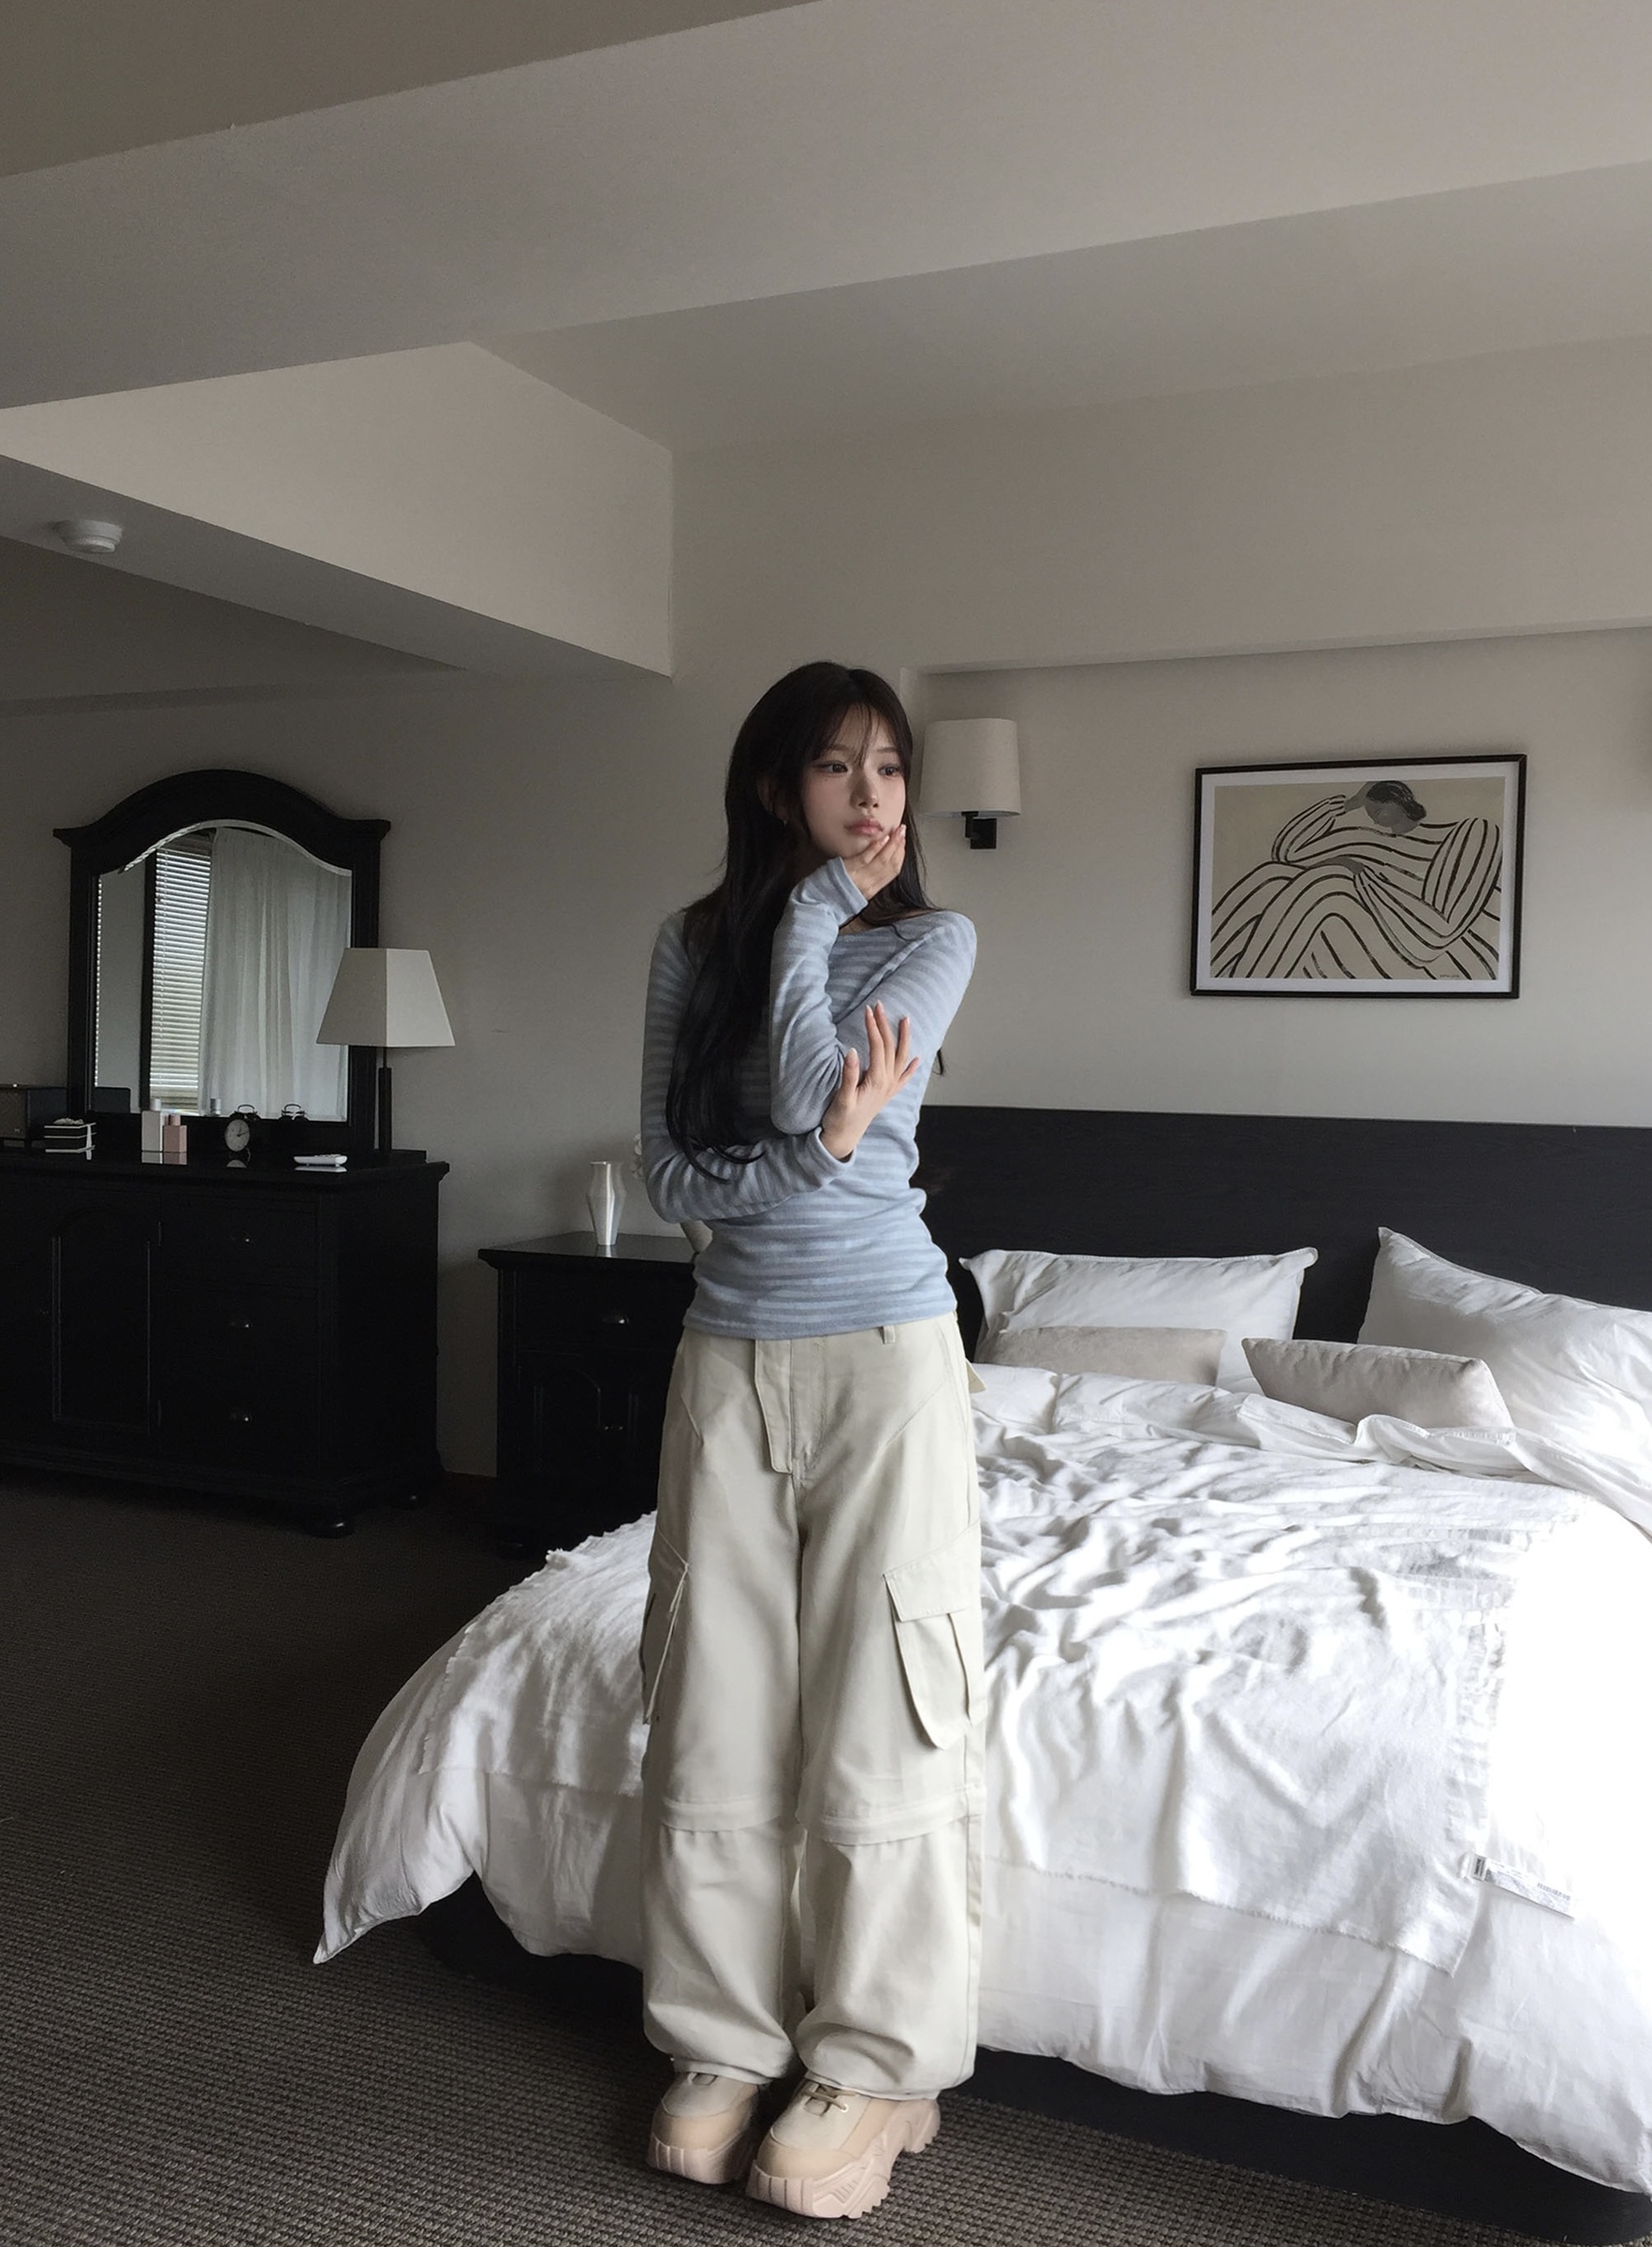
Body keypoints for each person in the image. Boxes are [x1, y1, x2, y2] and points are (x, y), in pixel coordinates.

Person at [636, 661, 981, 2220]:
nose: (872, 796)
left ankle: (879, 2060)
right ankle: (721, 2037)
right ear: (780, 786)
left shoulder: (931, 944)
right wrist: (816, 1149)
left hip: (885, 1357)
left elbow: (791, 1091)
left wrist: (816, 916)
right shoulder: (688, 943)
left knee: (881, 1705)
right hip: (727, 1357)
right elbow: (674, 1180)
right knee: (712, 1693)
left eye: (890, 769)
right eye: (838, 768)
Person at [1209, 779, 1502, 982]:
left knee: (1330, 882)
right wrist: (1350, 803)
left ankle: (1243, 996)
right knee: (1273, 877)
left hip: (1437, 964)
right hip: (1364, 946)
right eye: (1370, 812)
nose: (1373, 819)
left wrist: (1360, 877)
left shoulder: (1470, 833)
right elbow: (1286, 853)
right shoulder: (1369, 842)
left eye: (1378, 810)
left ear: (1400, 802)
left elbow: (1434, 937)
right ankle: (1215, 979)